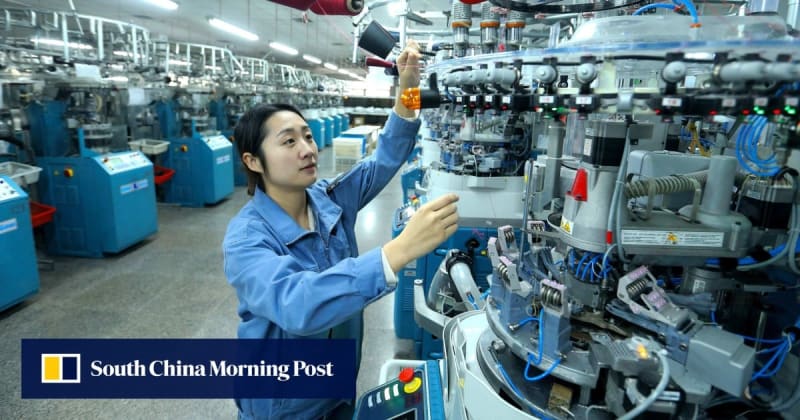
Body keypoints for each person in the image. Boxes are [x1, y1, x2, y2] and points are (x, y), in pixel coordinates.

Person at [222, 41, 460, 420]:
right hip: (283, 406)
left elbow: (385, 158)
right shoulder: (247, 239)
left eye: (307, 136)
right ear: (253, 161)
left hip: (338, 385)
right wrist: (397, 252)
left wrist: (408, 89)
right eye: (289, 141)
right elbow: (297, 304)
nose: (307, 149)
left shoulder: (328, 198)